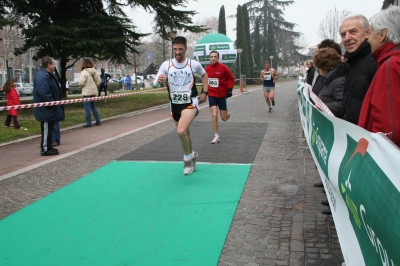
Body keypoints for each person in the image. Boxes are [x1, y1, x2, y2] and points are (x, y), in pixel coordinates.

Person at [153, 36, 208, 175]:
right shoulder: (166, 65)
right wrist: (158, 81)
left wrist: (205, 92)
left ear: (186, 49)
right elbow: (156, 81)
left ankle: (187, 160)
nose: (177, 52)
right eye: (175, 49)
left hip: (190, 103)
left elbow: (204, 75)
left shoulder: (193, 64)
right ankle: (192, 155)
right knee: (185, 132)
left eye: (180, 49)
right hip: (174, 104)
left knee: (181, 131)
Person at [358, 6, 400, 148]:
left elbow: (388, 129)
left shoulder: (390, 66)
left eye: (370, 32)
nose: (367, 38)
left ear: (382, 35)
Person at [339, 14, 377, 124]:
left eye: (353, 31)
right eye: (343, 35)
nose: (347, 38)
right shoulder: (350, 63)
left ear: (367, 33)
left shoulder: (374, 61)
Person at [33, 56, 65, 156]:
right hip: (46, 108)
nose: (55, 66)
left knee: (50, 128)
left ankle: (48, 146)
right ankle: (45, 149)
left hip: (50, 107)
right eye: (53, 64)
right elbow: (44, 93)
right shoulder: (42, 76)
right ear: (48, 65)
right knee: (46, 128)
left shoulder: (49, 75)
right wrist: (51, 103)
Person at [205, 51, 235, 144]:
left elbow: (232, 78)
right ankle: (216, 136)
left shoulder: (223, 67)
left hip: (222, 95)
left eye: (215, 57)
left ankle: (227, 114)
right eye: (211, 57)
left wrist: (229, 89)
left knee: (224, 118)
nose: (213, 58)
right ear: (209, 58)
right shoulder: (207, 69)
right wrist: (204, 92)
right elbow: (205, 81)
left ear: (218, 58)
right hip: (212, 95)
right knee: (214, 114)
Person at [313, 47, 348, 118]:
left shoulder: (338, 81)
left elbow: (343, 104)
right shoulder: (330, 78)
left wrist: (322, 107)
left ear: (322, 66)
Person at [79, 58, 101, 128]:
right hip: (93, 91)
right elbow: (99, 81)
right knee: (93, 106)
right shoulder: (94, 71)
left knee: (87, 107)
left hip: (86, 92)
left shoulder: (84, 72)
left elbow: (81, 82)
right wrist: (94, 86)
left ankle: (88, 123)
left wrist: (82, 86)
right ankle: (98, 120)